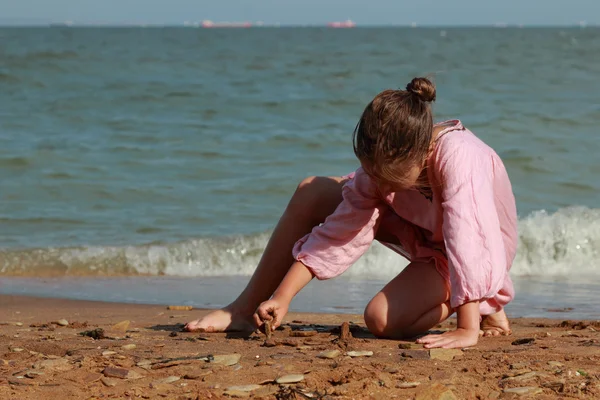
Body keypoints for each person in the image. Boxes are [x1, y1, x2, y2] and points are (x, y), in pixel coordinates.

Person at [185, 77, 517, 349]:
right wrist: (282, 297)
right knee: (312, 191)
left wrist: (467, 328)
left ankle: (482, 300)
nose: (376, 181)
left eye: (385, 176)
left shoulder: (459, 158)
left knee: (380, 320)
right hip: (422, 232)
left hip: (473, 250)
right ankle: (242, 310)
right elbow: (340, 233)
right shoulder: (378, 173)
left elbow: (467, 237)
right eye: (369, 171)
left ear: (421, 154)